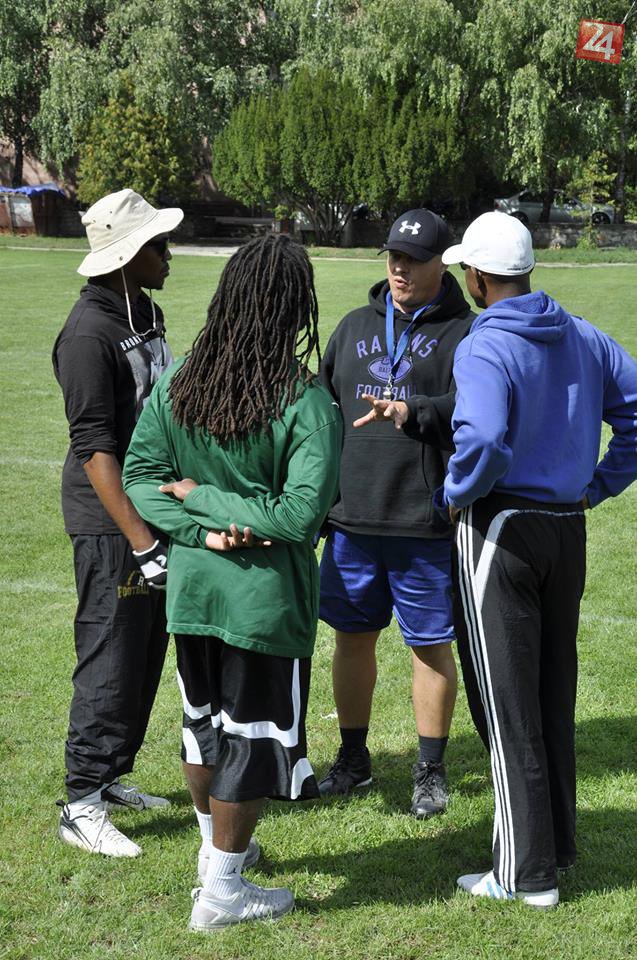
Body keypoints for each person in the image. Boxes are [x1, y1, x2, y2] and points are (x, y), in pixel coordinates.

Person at [362, 211, 637, 907]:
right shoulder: (581, 333)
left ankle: (523, 874)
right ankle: (554, 846)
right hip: (565, 529)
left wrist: (455, 495)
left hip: (500, 529)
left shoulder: (484, 342)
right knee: (549, 694)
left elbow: (481, 439)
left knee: (506, 703)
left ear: (478, 277)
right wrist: (595, 486)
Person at [122, 233, 342, 931]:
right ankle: (221, 891)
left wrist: (198, 516)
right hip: (260, 605)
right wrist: (215, 513)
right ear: (295, 308)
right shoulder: (306, 401)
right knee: (250, 739)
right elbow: (299, 515)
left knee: (204, 729)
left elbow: (142, 480)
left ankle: (212, 858)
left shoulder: (181, 382)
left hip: (193, 594)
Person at [317, 209, 475, 817]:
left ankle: (430, 770)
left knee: (430, 646)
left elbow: (476, 410)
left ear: (443, 264)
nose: (400, 268)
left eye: (414, 259)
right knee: (351, 640)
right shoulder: (355, 324)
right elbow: (322, 412)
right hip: (352, 520)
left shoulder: (467, 333)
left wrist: (416, 412)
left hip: (424, 521)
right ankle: (353, 759)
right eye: (394, 256)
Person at [52, 189, 183, 858]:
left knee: (145, 651)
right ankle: (80, 802)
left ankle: (108, 779)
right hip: (111, 523)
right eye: (158, 244)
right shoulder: (87, 334)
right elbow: (95, 448)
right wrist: (141, 540)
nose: (169, 254)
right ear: (128, 256)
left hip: (150, 511)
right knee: (111, 653)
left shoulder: (143, 311)